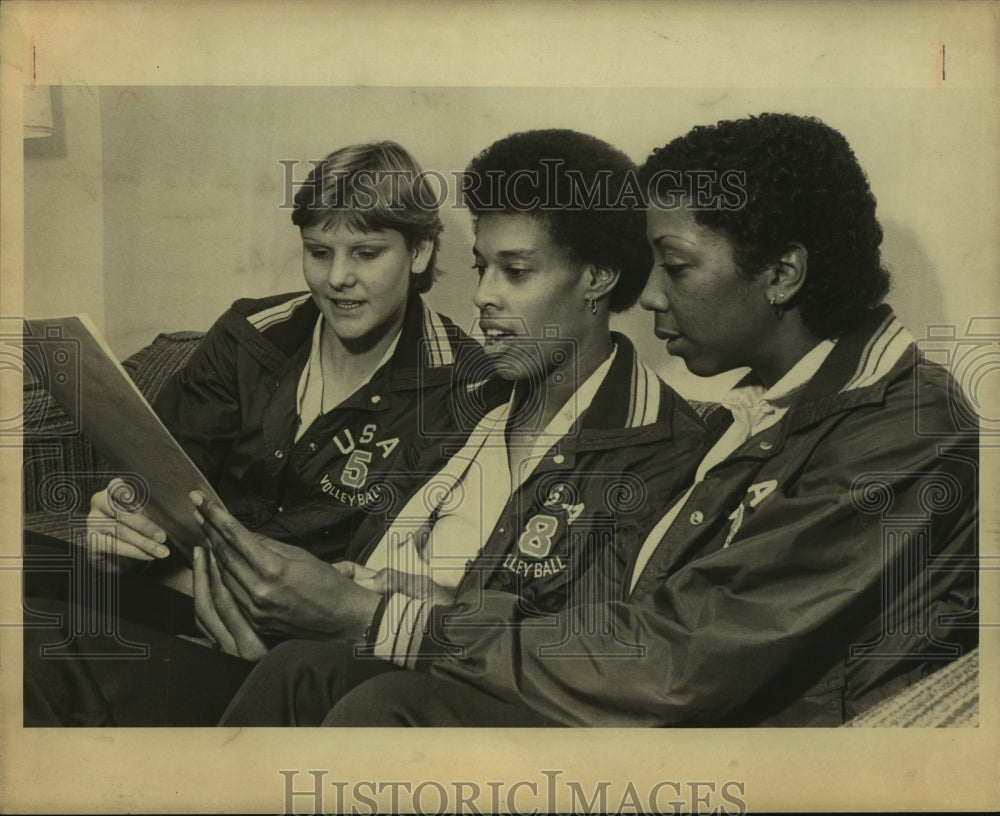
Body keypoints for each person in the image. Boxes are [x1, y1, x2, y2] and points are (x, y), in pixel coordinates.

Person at [271, 113, 978, 727]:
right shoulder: (770, 407)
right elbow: (630, 626)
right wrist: (417, 605)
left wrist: (391, 622)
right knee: (307, 673)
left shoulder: (903, 427)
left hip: (749, 756)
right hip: (662, 707)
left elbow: (680, 660)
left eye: (675, 267)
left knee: (389, 708)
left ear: (782, 274)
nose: (651, 298)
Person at [191, 128, 709, 725]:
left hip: (464, 720)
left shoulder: (660, 445)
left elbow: (594, 657)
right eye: (481, 268)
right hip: (331, 670)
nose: (483, 296)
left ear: (597, 278)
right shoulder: (461, 398)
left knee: (323, 683)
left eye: (515, 272)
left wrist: (371, 615)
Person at [22, 141, 493, 724]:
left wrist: (283, 647)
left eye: (366, 254)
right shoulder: (251, 332)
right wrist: (122, 519)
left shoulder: (467, 392)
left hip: (283, 657)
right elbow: (161, 467)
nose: (338, 279)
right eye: (319, 252)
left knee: (32, 652)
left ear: (419, 252)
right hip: (180, 590)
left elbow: (406, 588)